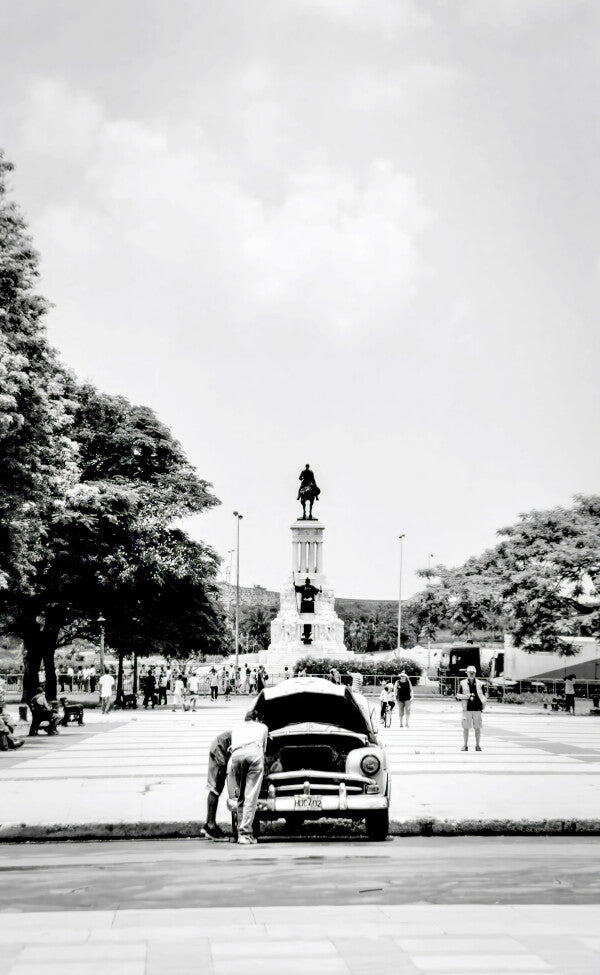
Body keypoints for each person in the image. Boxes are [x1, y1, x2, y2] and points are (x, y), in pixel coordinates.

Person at [227, 711, 269, 845]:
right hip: (253, 754)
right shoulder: (262, 727)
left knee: (241, 796)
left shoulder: (236, 727)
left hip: (237, 756)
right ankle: (245, 834)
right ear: (257, 718)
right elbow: (264, 750)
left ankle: (241, 833)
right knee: (251, 796)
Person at [203, 730, 232, 841]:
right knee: (216, 787)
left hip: (219, 745)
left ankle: (209, 824)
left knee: (216, 787)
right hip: (219, 748)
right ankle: (211, 826)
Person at [457, 665, 487, 751]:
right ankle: (465, 746)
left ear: (475, 673)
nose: (471, 674)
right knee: (466, 728)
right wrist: (466, 696)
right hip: (466, 709)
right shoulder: (462, 683)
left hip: (477, 709)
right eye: (470, 673)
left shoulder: (481, 684)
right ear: (467, 673)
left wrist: (483, 704)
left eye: (473, 673)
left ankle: (477, 746)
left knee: (477, 728)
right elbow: (457, 695)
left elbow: (484, 696)